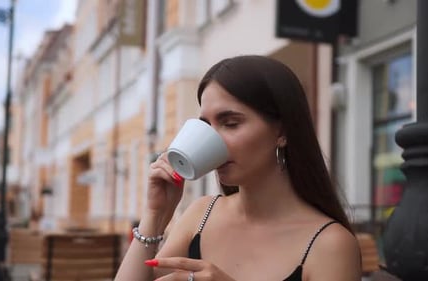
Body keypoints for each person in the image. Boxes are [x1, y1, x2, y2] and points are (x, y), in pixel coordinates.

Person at [115, 55, 362, 281]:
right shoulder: (201, 214)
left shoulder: (330, 244)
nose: (212, 140)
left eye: (230, 123)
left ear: (282, 132)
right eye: (205, 126)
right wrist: (155, 215)